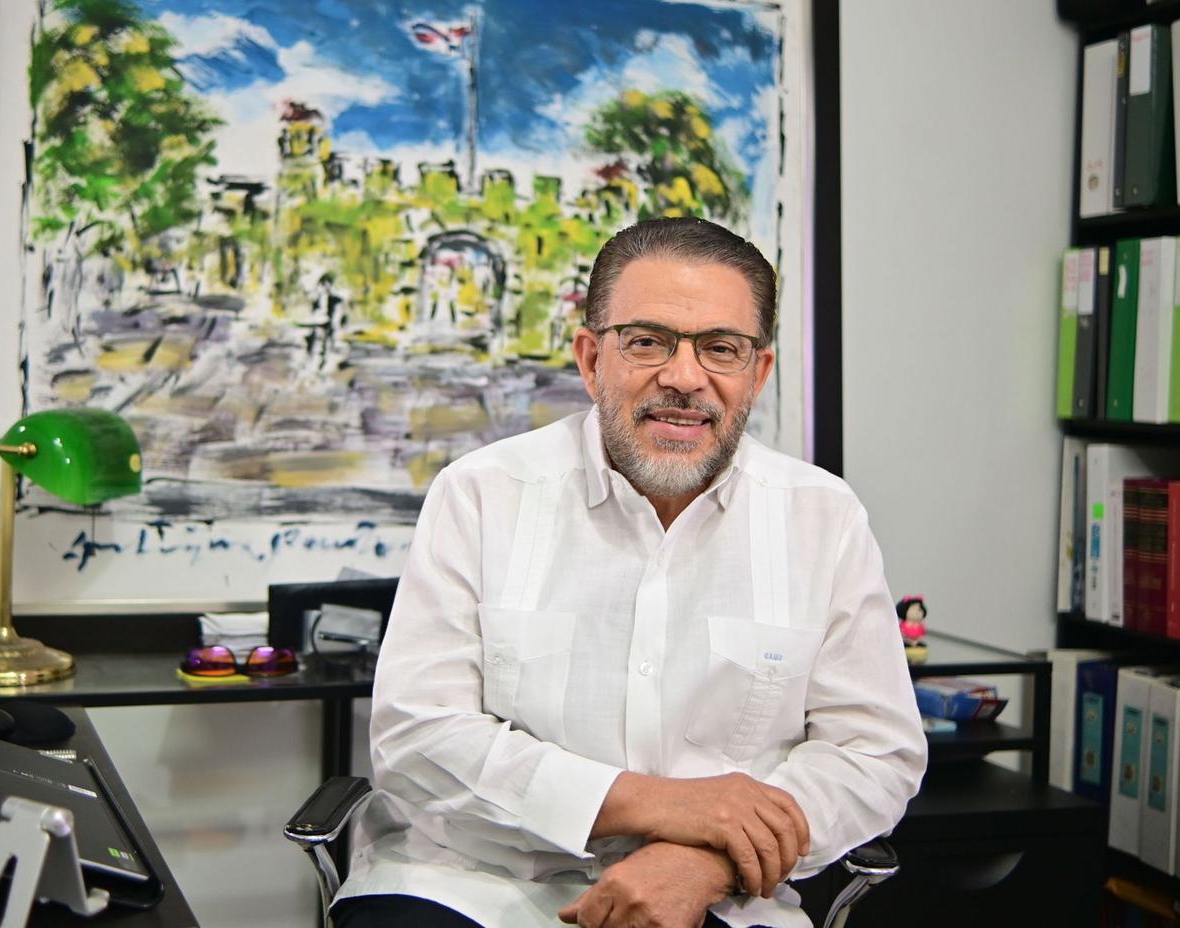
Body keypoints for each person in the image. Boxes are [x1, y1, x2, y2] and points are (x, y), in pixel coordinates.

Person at [332, 217, 927, 928]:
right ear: (591, 360)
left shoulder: (822, 518)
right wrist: (665, 805)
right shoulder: (482, 493)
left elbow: (873, 754)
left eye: (721, 349)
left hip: (719, 900)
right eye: (647, 342)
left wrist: (707, 860)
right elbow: (418, 738)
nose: (684, 377)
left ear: (758, 373)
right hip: (468, 883)